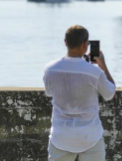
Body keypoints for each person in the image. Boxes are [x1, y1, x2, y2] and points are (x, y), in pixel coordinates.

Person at [43, 25, 116, 161]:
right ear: (85, 45)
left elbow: (49, 92)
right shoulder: (94, 72)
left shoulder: (50, 69)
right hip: (90, 137)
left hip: (61, 136)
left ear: (65, 42)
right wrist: (103, 65)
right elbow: (109, 93)